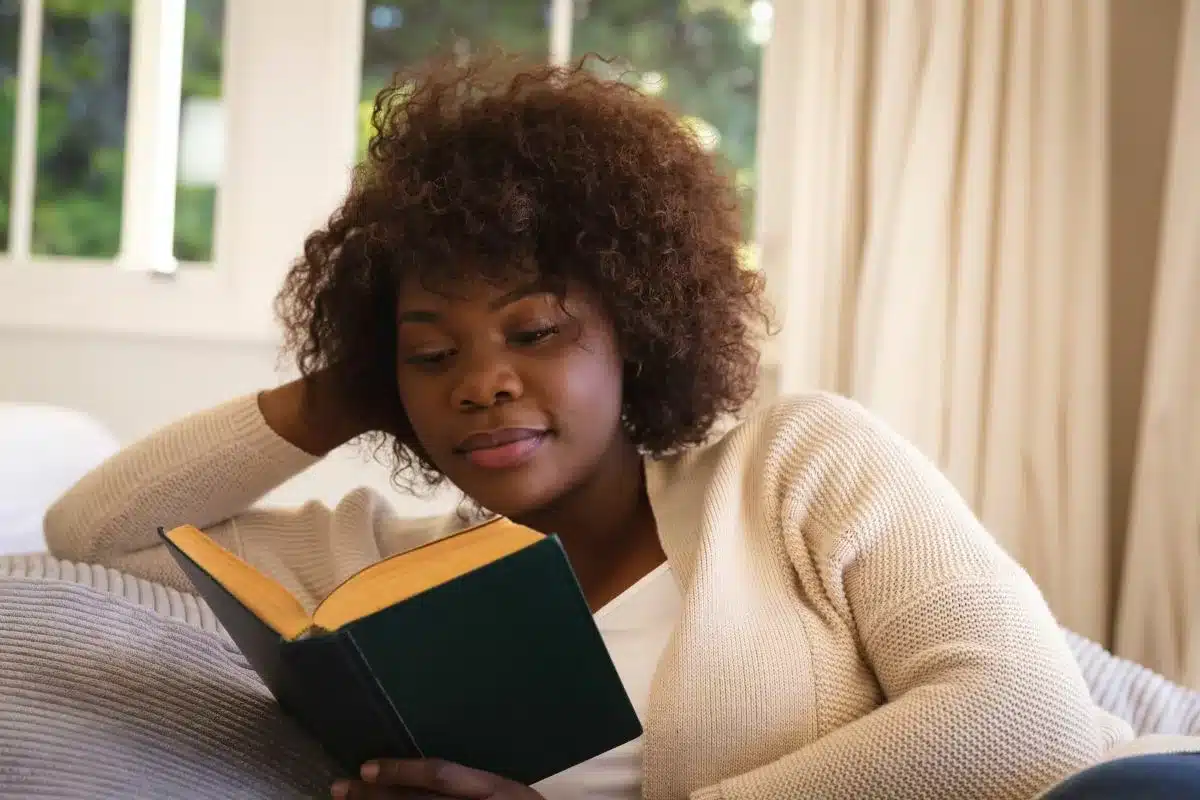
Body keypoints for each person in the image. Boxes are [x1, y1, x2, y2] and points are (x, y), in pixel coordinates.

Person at [40, 53, 1186, 800]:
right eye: (435, 351)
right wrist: (356, 383)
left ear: (635, 326)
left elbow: (1024, 720)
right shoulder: (377, 568)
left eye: (534, 330)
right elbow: (96, 528)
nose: (483, 382)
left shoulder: (797, 465)